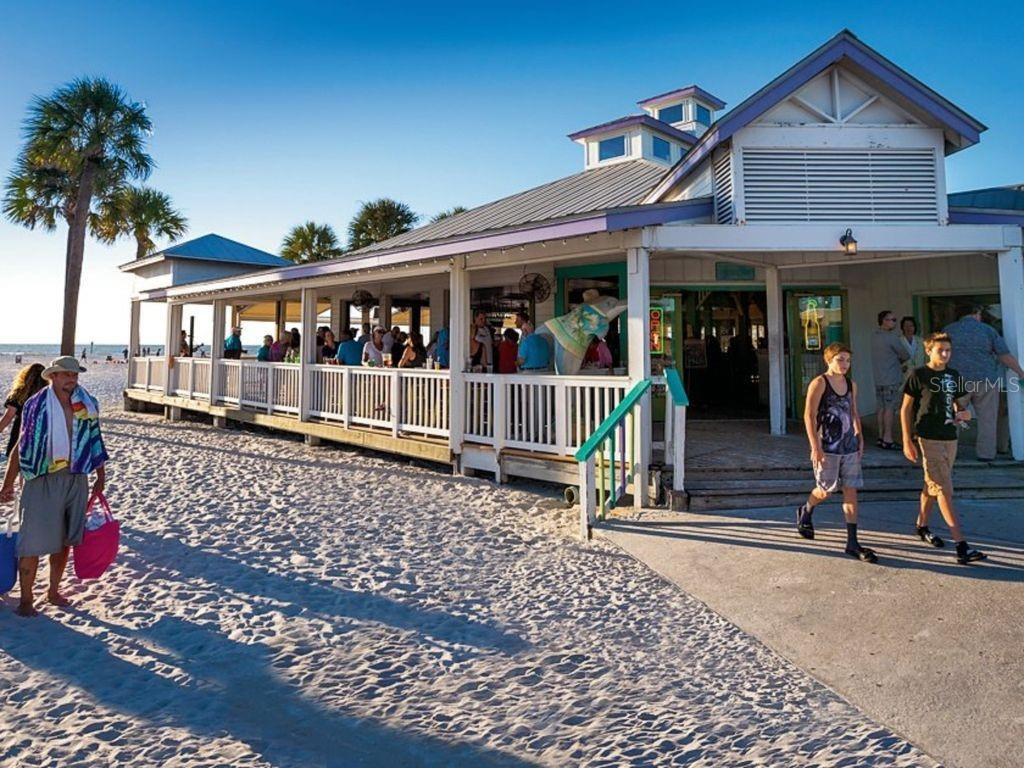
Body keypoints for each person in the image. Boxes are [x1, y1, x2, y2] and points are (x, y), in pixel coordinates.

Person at [0, 356, 108, 617]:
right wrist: (8, 483)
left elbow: (95, 439)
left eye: (75, 375)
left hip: (76, 477)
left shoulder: (87, 404)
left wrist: (100, 475)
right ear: (53, 377)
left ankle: (53, 590)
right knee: (31, 542)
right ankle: (27, 599)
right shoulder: (36, 406)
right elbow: (21, 446)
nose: (72, 379)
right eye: (66, 375)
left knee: (64, 541)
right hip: (41, 479)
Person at [901, 332, 985, 564]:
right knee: (944, 489)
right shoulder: (918, 375)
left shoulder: (953, 375)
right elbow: (905, 409)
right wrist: (907, 440)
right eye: (941, 350)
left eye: (948, 350)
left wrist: (964, 413)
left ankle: (922, 526)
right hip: (928, 437)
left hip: (950, 437)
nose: (946, 354)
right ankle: (961, 545)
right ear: (928, 350)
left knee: (933, 484)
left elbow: (960, 404)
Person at [794, 344, 876, 562]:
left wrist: (859, 436)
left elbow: (853, 411)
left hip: (848, 445)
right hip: (827, 445)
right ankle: (807, 508)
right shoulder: (820, 383)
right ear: (828, 360)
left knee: (851, 490)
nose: (844, 364)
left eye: (848, 360)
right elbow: (809, 415)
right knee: (826, 490)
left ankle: (852, 541)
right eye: (840, 359)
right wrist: (815, 446)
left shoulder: (851, 385)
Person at [943, 305, 1024, 461]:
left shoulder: (948, 330)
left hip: (956, 380)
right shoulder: (987, 330)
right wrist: (1021, 373)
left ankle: (949, 453)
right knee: (987, 419)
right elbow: (1003, 355)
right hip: (986, 380)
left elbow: (939, 353)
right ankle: (986, 455)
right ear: (976, 314)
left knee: (954, 417)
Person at [870, 310, 909, 450]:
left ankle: (881, 437)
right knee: (890, 409)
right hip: (891, 378)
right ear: (884, 321)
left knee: (881, 408)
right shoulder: (891, 337)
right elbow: (905, 354)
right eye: (892, 320)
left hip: (878, 377)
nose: (894, 322)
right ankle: (888, 438)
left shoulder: (874, 336)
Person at [1, 363, 47, 459]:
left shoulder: (19, 393)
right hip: (42, 431)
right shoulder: (48, 394)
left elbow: (8, 417)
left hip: (20, 432)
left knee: (18, 462)